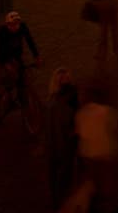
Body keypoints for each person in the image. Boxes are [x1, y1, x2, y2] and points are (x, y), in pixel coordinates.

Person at [47, 71, 82, 208]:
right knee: (65, 172)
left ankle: (59, 199)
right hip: (65, 142)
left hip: (58, 142)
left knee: (58, 173)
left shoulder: (51, 102)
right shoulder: (61, 102)